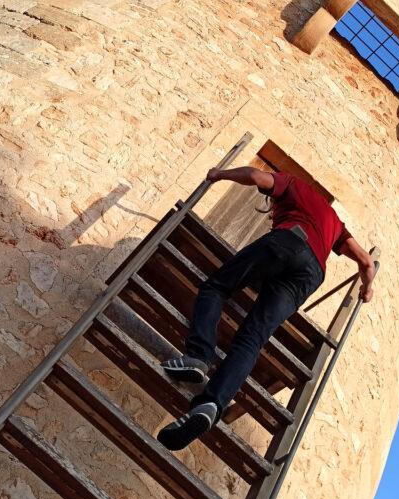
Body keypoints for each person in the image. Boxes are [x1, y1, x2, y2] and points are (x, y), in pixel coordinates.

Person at [157, 165, 376, 450]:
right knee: (253, 338)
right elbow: (366, 262)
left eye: (272, 209)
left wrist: (218, 174)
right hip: (311, 275)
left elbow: (256, 177)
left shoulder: (294, 185)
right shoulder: (335, 224)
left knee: (217, 287)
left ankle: (198, 356)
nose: (272, 213)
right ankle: (211, 403)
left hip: (289, 241)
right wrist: (367, 288)